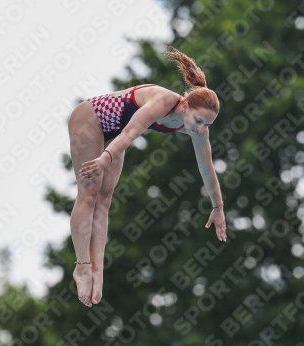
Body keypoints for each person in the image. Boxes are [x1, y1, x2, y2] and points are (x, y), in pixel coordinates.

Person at [68, 46, 226, 307]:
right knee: (90, 193)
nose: (200, 128)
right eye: (199, 120)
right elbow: (130, 133)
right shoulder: (164, 101)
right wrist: (104, 159)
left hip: (113, 133)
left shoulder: (198, 130)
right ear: (185, 105)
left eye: (206, 125)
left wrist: (218, 206)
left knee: (105, 199)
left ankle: (97, 268)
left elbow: (207, 168)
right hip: (91, 119)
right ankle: (82, 265)